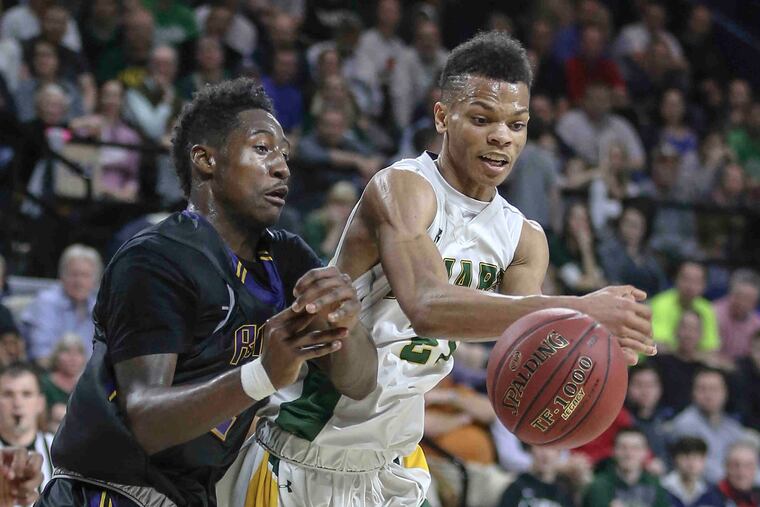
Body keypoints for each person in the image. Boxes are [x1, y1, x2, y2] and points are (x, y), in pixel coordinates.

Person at [226, 30, 654, 507]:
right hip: (303, 446)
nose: (501, 137)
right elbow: (427, 305)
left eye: (517, 124)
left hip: (393, 460)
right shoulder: (403, 188)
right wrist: (580, 309)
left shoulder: (524, 238)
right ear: (442, 116)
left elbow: (525, 342)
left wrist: (595, 348)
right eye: (481, 118)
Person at [35, 78, 376, 506]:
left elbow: (360, 382)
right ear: (205, 159)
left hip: (191, 494)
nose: (283, 167)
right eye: (263, 148)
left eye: (285, 154)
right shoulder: (156, 259)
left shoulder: (286, 257)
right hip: (106, 491)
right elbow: (145, 421)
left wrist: (348, 323)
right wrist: (263, 374)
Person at [20, 244, 101, 364]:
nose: (79, 282)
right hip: (51, 376)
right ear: (62, 276)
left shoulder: (98, 307)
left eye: (85, 275)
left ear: (95, 280)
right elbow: (41, 356)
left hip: (88, 378)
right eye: (74, 274)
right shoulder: (46, 302)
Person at [668, 368, 749, 484]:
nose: (709, 395)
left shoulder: (732, 427)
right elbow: (698, 468)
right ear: (693, 393)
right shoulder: (685, 424)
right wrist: (736, 478)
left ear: (725, 392)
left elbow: (747, 460)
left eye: (714, 389)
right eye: (702, 389)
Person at [582, 428, 671, 507]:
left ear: (646, 452)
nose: (629, 454)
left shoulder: (654, 484)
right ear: (613, 451)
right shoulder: (599, 486)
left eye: (635, 448)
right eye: (623, 448)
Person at [0, 363, 54, 492]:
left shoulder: (59, 450)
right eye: (8, 394)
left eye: (26, 394)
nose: (17, 403)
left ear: (40, 403)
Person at [650, 261, 720, 352]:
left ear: (704, 286)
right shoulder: (659, 304)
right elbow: (658, 346)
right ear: (676, 279)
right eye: (686, 279)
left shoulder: (707, 309)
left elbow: (712, 349)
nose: (690, 286)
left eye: (696, 281)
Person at [498, 445, 576, 507]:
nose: (546, 454)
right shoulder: (517, 487)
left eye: (552, 448)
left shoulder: (565, 492)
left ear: (559, 453)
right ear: (530, 450)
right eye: (540, 447)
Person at [662, 437, 725, 507]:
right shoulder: (661, 489)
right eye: (686, 457)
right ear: (675, 459)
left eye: (696, 458)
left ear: (704, 461)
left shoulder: (713, 493)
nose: (691, 464)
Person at [717, 441, 760, 506]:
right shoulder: (711, 500)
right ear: (726, 467)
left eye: (748, 466)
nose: (742, 472)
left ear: (755, 468)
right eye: (735, 465)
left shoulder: (756, 495)